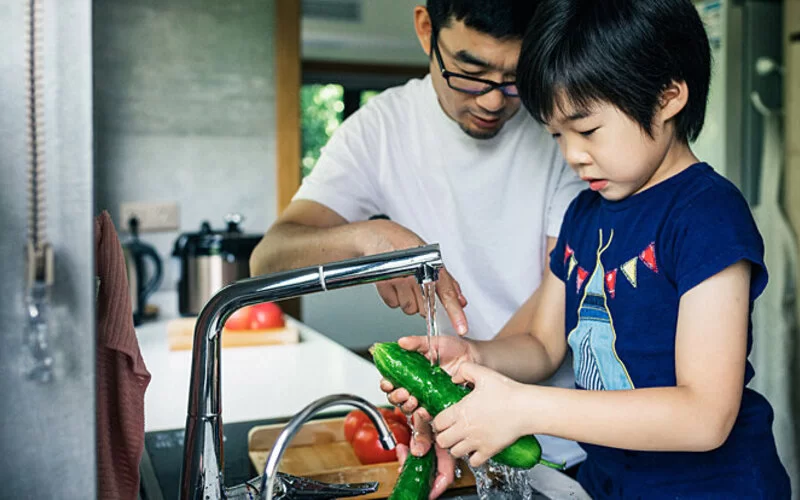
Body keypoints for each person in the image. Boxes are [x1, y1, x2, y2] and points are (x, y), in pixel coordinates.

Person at [386, 0, 792, 497]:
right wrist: (474, 356)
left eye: (587, 129)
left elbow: (704, 415)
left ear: (667, 97)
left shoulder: (706, 214)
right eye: (557, 134)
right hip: (608, 485)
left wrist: (524, 408)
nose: (572, 155)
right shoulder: (584, 215)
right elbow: (541, 345)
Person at [251, 1, 585, 496]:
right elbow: (268, 259)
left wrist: (471, 360)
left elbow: (549, 319)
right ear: (426, 28)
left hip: (571, 437)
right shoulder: (381, 129)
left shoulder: (560, 128)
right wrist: (368, 238)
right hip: (465, 434)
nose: (493, 100)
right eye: (470, 73)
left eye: (515, 79)